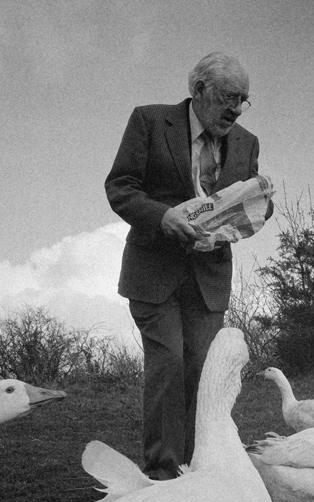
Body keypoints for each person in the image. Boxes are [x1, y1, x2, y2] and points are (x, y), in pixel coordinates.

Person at [105, 52, 260, 480]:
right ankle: (162, 472)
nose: (236, 109)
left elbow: (247, 205)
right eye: (230, 97)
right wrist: (161, 216)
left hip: (209, 279)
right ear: (198, 91)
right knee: (169, 365)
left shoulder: (247, 143)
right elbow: (120, 187)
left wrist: (252, 215)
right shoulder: (150, 122)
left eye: (244, 100)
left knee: (203, 373)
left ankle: (199, 470)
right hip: (153, 275)